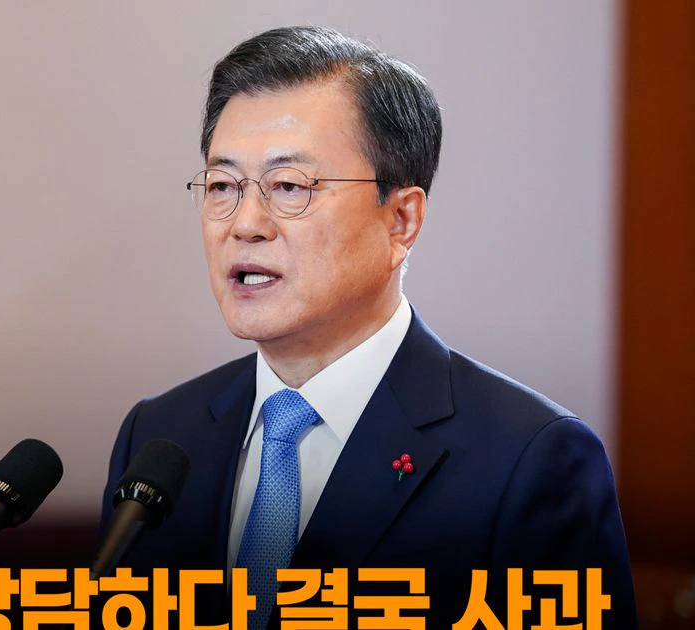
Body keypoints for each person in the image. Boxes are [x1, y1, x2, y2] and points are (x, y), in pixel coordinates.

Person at [100, 26, 636, 630]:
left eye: (289, 187)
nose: (245, 224)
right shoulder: (159, 437)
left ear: (401, 220)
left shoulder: (529, 459)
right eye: (223, 186)